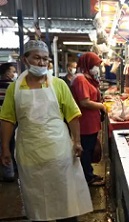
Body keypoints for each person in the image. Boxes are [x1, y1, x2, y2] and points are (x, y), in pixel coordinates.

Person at [0, 40, 93, 222]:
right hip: (30, 154)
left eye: (45, 59)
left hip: (58, 152)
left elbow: (73, 115)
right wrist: (4, 148)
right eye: (37, 58)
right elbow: (8, 119)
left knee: (65, 200)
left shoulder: (58, 85)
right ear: (25, 60)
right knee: (37, 201)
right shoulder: (15, 88)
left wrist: (77, 141)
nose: (42, 63)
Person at [71, 52, 105, 186]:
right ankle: (87, 178)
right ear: (88, 64)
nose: (97, 68)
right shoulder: (80, 79)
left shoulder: (86, 78)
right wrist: (101, 106)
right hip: (85, 122)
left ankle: (88, 174)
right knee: (85, 151)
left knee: (89, 149)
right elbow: (84, 102)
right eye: (96, 65)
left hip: (91, 121)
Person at [0, 63, 17, 182]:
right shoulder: (12, 86)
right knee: (10, 145)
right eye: (12, 71)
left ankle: (7, 171)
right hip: (8, 120)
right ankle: (10, 172)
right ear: (6, 72)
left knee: (2, 145)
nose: (14, 74)